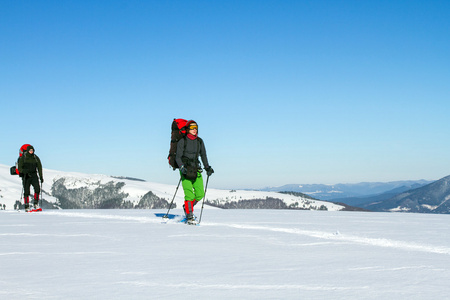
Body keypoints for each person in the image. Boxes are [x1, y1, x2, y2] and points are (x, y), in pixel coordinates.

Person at [175, 120, 214, 223]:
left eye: (196, 127)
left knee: (200, 193)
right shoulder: (182, 141)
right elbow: (177, 157)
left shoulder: (200, 141)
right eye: (192, 127)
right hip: (185, 170)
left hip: (196, 169)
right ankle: (189, 216)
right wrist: (182, 167)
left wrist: (207, 167)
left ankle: (187, 207)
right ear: (188, 129)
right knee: (189, 195)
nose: (194, 129)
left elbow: (203, 155)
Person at [18, 145, 43, 211]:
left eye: (32, 150)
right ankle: (27, 206)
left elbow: (39, 168)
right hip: (26, 176)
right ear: (27, 151)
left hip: (34, 175)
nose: (31, 151)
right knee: (26, 191)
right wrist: (24, 171)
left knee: (37, 189)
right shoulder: (23, 158)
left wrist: (41, 177)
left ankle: (36, 204)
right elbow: (19, 168)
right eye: (30, 150)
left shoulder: (35, 158)